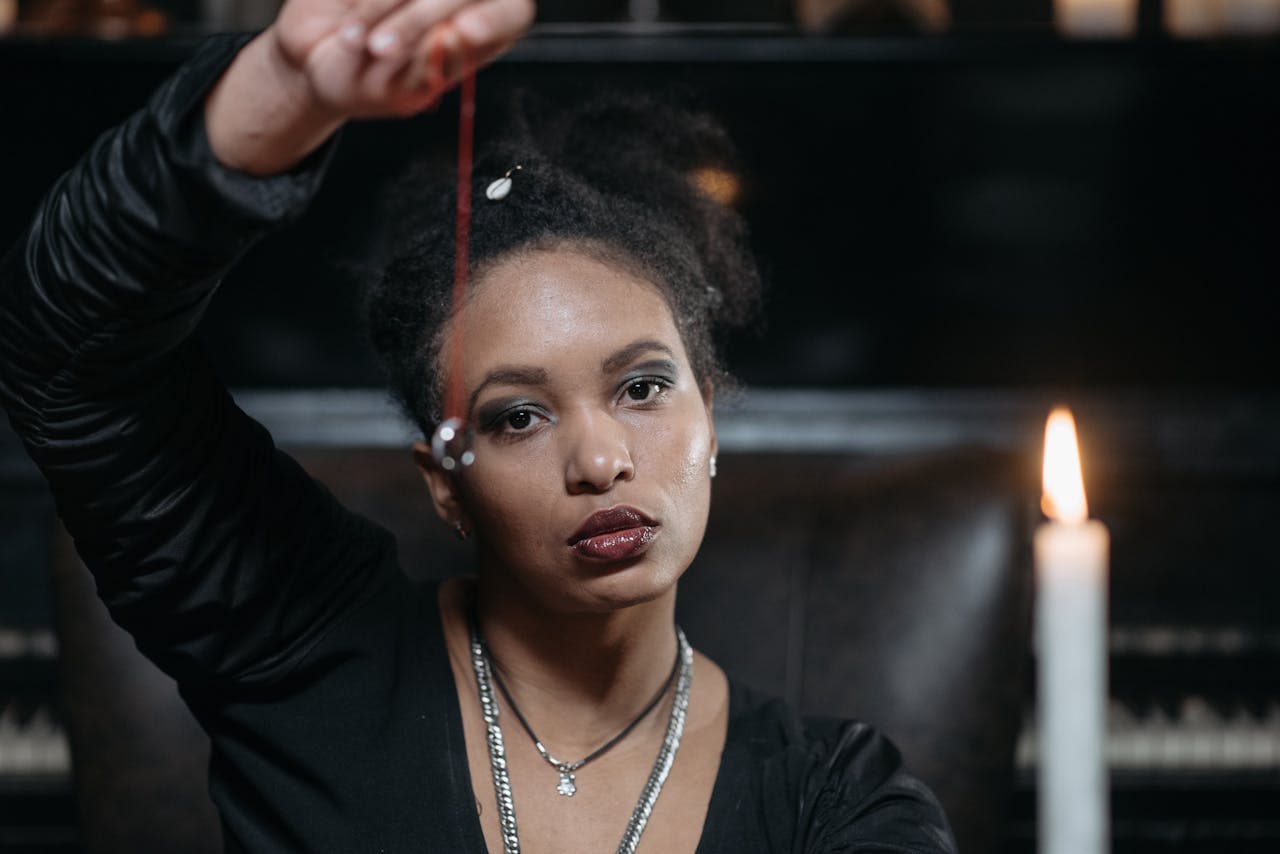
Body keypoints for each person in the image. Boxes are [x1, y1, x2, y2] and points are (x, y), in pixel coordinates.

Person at [0, 1, 957, 851]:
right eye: (519, 416)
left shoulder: (837, 802)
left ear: (710, 411)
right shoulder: (303, 652)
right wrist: (279, 89)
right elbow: (66, 353)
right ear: (443, 483)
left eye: (643, 388)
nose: (599, 459)